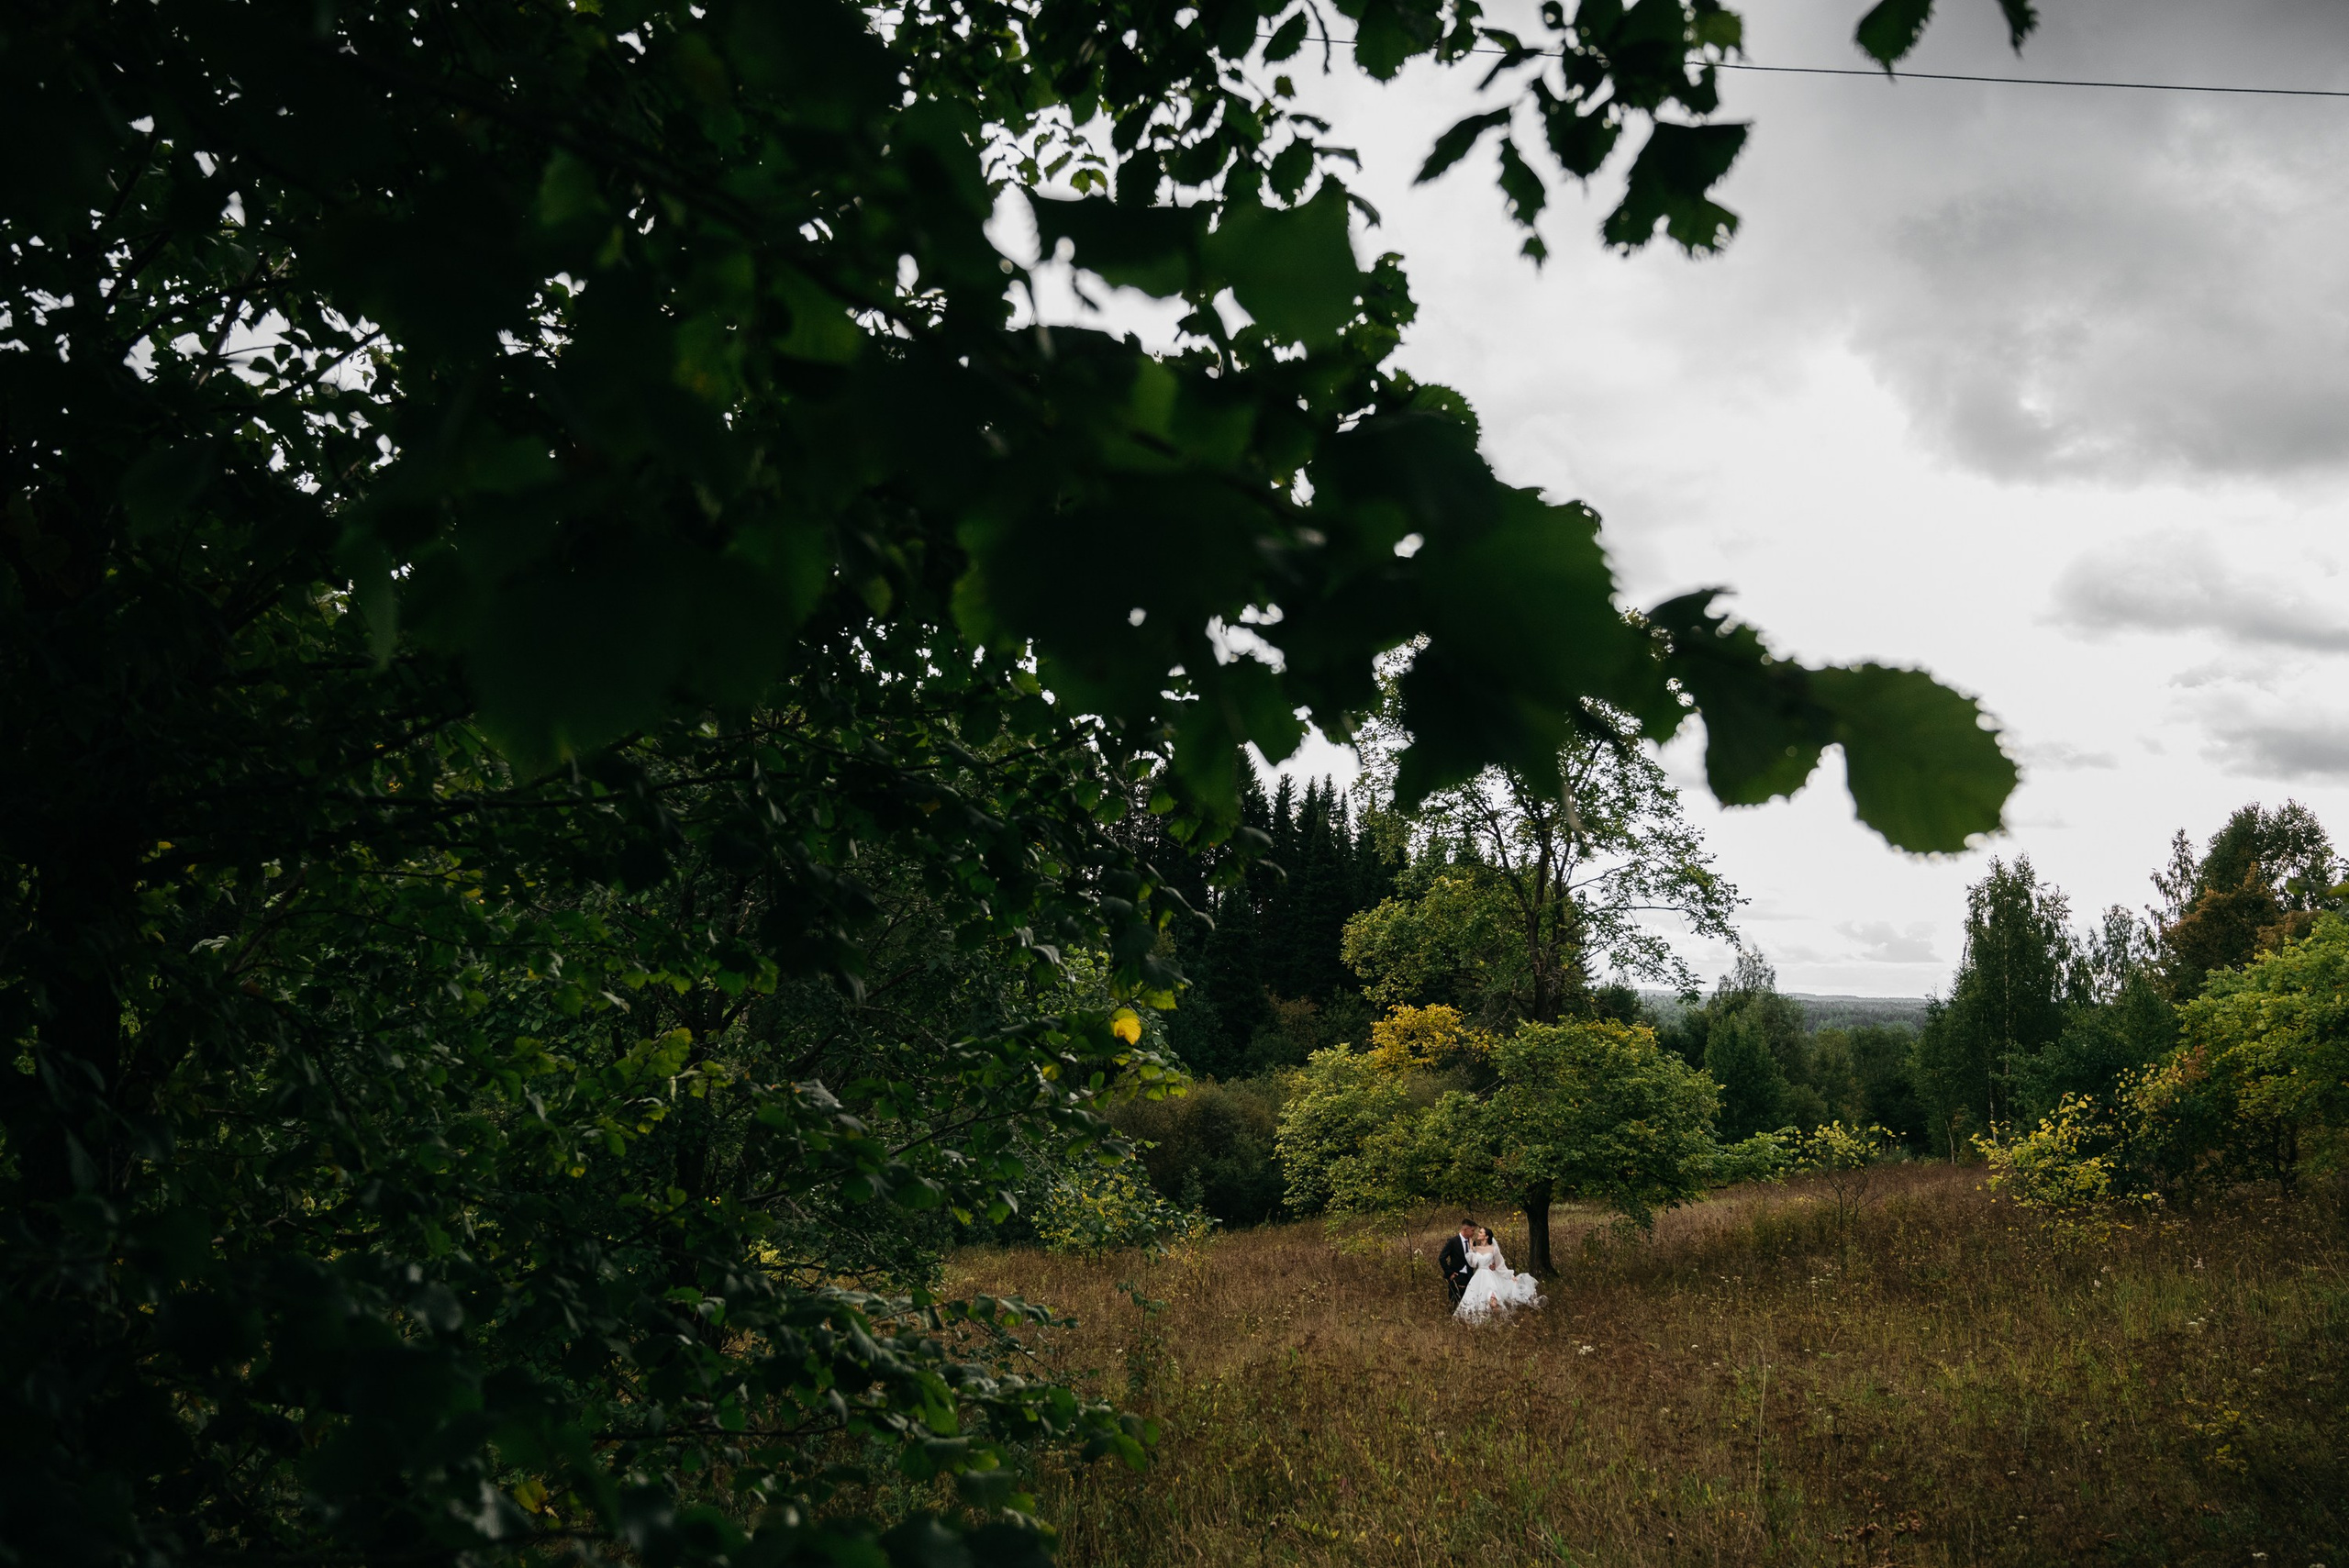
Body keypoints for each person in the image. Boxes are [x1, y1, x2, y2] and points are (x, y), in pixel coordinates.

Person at [1453, 1224, 1544, 1323]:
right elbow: (1473, 1264)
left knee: (1493, 1302)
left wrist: (1510, 1275)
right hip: (1479, 1277)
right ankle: (1483, 1322)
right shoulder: (1477, 1248)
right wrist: (1471, 1249)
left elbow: (1500, 1265)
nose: (1478, 1233)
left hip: (1490, 1277)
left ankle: (1500, 1321)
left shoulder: (1493, 1249)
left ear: (1486, 1236)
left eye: (1480, 1232)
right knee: (1475, 1301)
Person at [1437, 1219, 1476, 1306]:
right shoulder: (1453, 1241)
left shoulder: (1473, 1243)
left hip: (1469, 1276)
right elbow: (1442, 1258)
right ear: (1465, 1229)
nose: (1474, 1233)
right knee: (1455, 1301)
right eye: (1472, 1230)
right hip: (1457, 1275)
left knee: (1468, 1303)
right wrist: (1449, 1273)